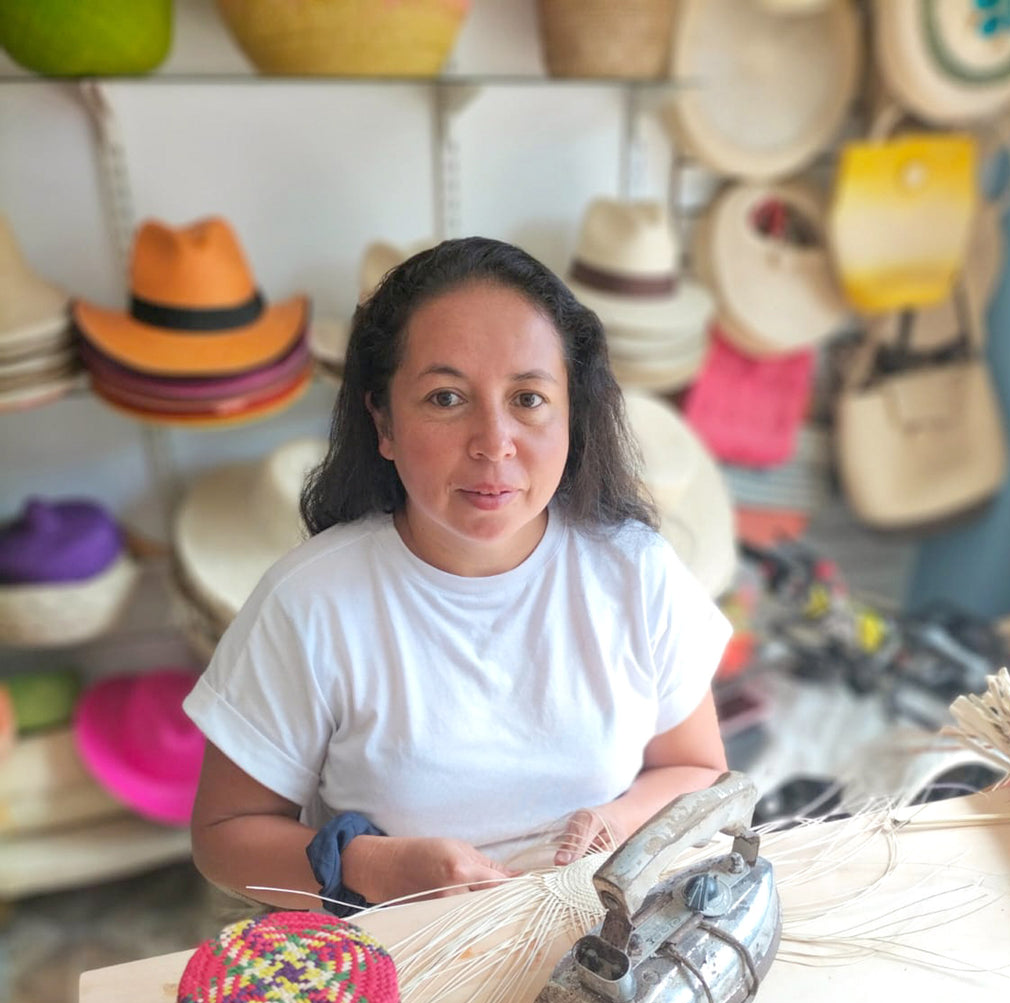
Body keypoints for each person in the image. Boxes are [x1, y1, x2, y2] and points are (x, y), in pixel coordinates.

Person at [184, 237, 730, 912]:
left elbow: (696, 767)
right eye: (446, 398)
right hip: (402, 962)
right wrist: (368, 866)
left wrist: (618, 822)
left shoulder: (634, 572)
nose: (493, 442)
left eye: (528, 398)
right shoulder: (309, 603)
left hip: (601, 943)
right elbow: (222, 836)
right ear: (382, 421)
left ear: (573, 417)